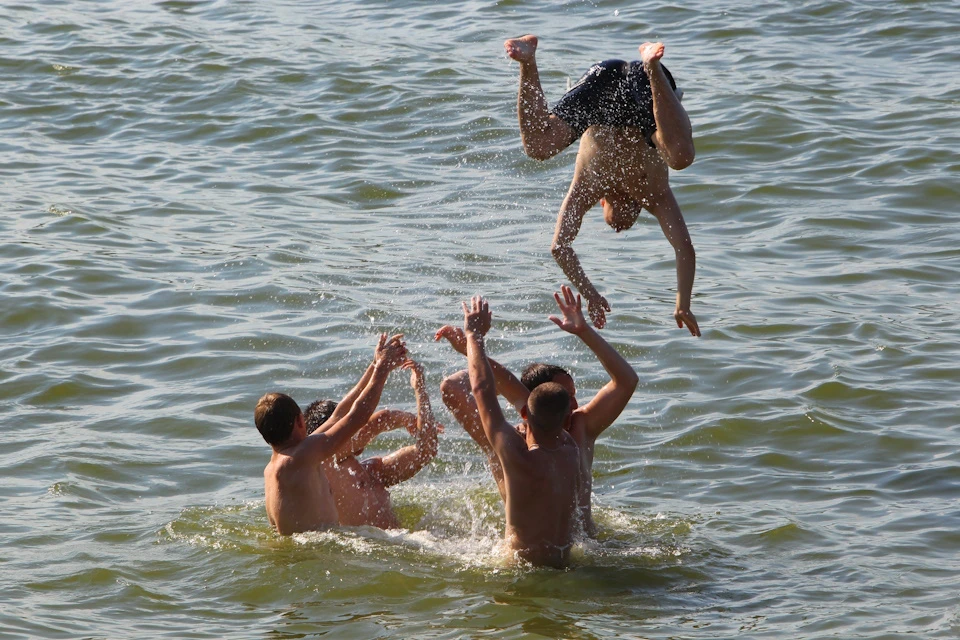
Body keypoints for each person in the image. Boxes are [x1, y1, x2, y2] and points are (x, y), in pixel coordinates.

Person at [504, 35, 700, 336]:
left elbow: (560, 246)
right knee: (680, 155)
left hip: (604, 89)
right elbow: (684, 249)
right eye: (625, 226)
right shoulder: (654, 195)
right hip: (638, 90)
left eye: (612, 227)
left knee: (538, 147)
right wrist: (682, 303)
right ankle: (652, 68)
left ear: (601, 203)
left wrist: (590, 293)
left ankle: (528, 61)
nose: (620, 229)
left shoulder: (588, 188)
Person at [438, 285, 638, 537]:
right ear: (529, 407)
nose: (574, 405)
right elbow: (452, 387)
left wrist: (584, 331)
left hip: (583, 547)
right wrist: (473, 348)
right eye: (565, 397)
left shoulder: (578, 427)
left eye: (572, 396)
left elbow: (626, 382)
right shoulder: (511, 444)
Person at [458, 294, 583, 568]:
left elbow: (481, 389)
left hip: (520, 569)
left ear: (525, 414)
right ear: (566, 419)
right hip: (564, 566)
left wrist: (473, 335)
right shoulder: (572, 450)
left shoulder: (517, 456)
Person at [254, 333, 407, 535]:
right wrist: (383, 369)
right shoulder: (301, 457)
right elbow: (357, 416)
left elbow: (338, 414)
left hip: (298, 554)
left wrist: (374, 365)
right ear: (300, 421)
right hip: (312, 557)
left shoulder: (277, 464)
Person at [304, 359, 441, 529]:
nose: (355, 428)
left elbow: (426, 450)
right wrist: (402, 418)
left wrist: (420, 389)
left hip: (399, 545)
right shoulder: (323, 473)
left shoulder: (373, 472)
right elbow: (378, 422)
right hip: (367, 551)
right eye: (348, 425)